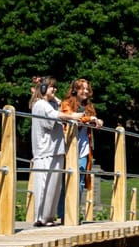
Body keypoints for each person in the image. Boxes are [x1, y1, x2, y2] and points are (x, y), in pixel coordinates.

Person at [29, 76, 81, 227]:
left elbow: (60, 105)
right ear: (44, 89)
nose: (55, 89)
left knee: (54, 187)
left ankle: (48, 217)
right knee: (43, 185)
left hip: (56, 149)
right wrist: (72, 116)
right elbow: (56, 115)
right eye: (52, 87)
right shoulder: (40, 104)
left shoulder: (50, 103)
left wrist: (54, 97)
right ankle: (39, 218)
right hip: (44, 150)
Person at [58, 78, 104, 221]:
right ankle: (62, 214)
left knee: (81, 181)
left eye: (86, 89)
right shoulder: (66, 104)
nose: (85, 91)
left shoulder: (89, 107)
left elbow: (94, 119)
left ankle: (72, 212)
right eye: (81, 88)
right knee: (65, 180)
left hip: (84, 149)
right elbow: (74, 120)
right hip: (69, 147)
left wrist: (98, 121)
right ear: (74, 90)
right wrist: (90, 118)